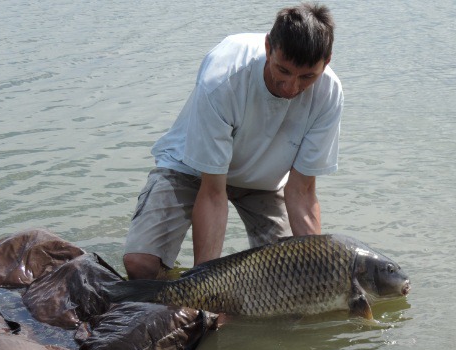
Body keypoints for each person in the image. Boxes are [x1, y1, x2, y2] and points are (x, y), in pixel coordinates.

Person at [123, 3, 343, 280]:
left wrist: (314, 274)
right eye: (283, 71)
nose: (292, 88)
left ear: (327, 61)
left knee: (289, 276)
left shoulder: (330, 93)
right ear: (268, 47)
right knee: (141, 266)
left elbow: (301, 192)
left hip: (263, 183)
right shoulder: (223, 79)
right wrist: (205, 287)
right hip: (190, 168)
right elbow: (213, 193)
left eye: (307, 77)